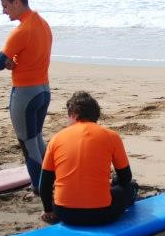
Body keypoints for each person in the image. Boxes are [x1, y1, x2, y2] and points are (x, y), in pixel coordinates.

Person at [39, 91, 137, 225]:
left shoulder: (56, 138)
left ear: (73, 114)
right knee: (131, 187)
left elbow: (44, 184)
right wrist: (113, 181)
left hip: (64, 213)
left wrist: (48, 210)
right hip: (102, 214)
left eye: (68, 116)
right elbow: (125, 177)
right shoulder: (112, 136)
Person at [0, 0, 52, 192]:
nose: (4, 11)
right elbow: (29, 54)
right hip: (44, 90)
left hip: (25, 93)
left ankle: (39, 188)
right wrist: (14, 59)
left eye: (6, 6)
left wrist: (8, 61)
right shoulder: (43, 23)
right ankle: (49, 182)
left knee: (28, 144)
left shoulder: (21, 31)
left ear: (17, 2)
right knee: (36, 139)